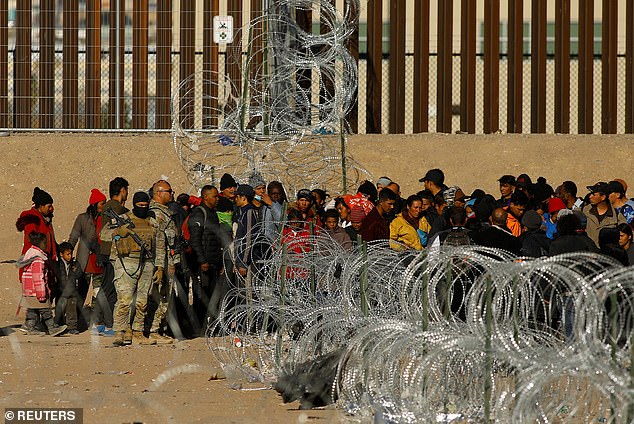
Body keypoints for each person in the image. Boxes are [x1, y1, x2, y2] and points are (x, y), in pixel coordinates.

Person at [102, 191, 156, 347]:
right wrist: (118, 232)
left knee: (142, 301)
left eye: (146, 206)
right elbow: (103, 235)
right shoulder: (124, 219)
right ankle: (120, 331)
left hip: (146, 263)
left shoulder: (151, 221)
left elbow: (158, 243)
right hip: (126, 263)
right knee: (125, 300)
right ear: (134, 205)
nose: (143, 208)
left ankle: (137, 331)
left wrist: (158, 266)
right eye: (140, 206)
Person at [68, 188, 111, 335]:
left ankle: (95, 320)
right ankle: (76, 322)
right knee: (81, 292)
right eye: (101, 203)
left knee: (98, 292)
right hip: (84, 261)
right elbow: (73, 237)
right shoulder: (82, 219)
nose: (104, 205)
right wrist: (68, 253)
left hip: (100, 261)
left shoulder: (106, 218)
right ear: (94, 204)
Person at [188, 185, 228, 335]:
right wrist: (202, 260)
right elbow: (195, 239)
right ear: (205, 197)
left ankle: (208, 328)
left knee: (212, 297)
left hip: (213, 262)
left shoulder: (212, 213)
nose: (217, 199)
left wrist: (219, 262)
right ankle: (198, 329)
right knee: (201, 298)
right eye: (214, 196)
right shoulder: (199, 213)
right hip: (203, 264)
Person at [148, 180, 181, 343]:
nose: (172, 194)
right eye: (169, 191)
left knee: (164, 296)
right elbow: (160, 242)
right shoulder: (157, 214)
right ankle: (153, 330)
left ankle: (157, 328)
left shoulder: (164, 213)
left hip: (165, 259)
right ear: (159, 193)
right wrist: (161, 266)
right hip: (161, 261)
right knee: (161, 296)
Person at [95, 177, 129, 333]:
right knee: (111, 289)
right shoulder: (116, 207)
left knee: (105, 287)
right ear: (122, 190)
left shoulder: (108, 206)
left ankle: (99, 322)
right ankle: (109, 324)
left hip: (104, 251)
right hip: (112, 252)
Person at [17, 232, 67, 336]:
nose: (47, 245)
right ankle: (52, 328)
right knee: (46, 311)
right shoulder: (38, 259)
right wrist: (42, 294)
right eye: (45, 243)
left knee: (32, 311)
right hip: (36, 291)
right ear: (40, 244)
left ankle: (28, 326)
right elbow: (38, 277)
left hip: (28, 290)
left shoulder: (29, 255)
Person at [16, 187, 58, 279]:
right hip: (34, 267)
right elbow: (32, 240)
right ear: (41, 206)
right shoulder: (32, 220)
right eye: (49, 206)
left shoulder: (46, 219)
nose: (52, 209)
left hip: (46, 264)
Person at [582, 182, 626, 247]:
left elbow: (626, 233)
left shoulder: (616, 216)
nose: (590, 197)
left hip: (607, 254)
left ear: (603, 197)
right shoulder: (585, 211)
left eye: (594, 195)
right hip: (589, 253)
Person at [54, 242, 83, 333]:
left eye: (71, 254)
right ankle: (59, 325)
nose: (70, 256)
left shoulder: (74, 264)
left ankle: (72, 327)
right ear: (61, 254)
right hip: (60, 291)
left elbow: (78, 274)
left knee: (72, 309)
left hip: (72, 291)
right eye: (67, 254)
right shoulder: (58, 264)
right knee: (60, 309)